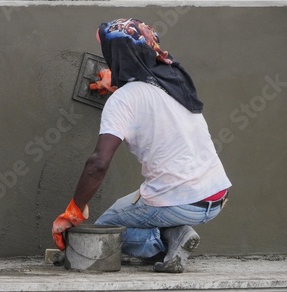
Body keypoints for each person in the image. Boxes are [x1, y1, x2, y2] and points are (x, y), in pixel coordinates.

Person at [52, 18, 232, 273]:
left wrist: (73, 212)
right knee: (128, 208)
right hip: (217, 195)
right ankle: (176, 232)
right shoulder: (175, 80)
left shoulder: (124, 101)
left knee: (105, 231)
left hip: (180, 200)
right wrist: (117, 83)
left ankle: (168, 238)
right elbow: (149, 101)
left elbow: (98, 164)